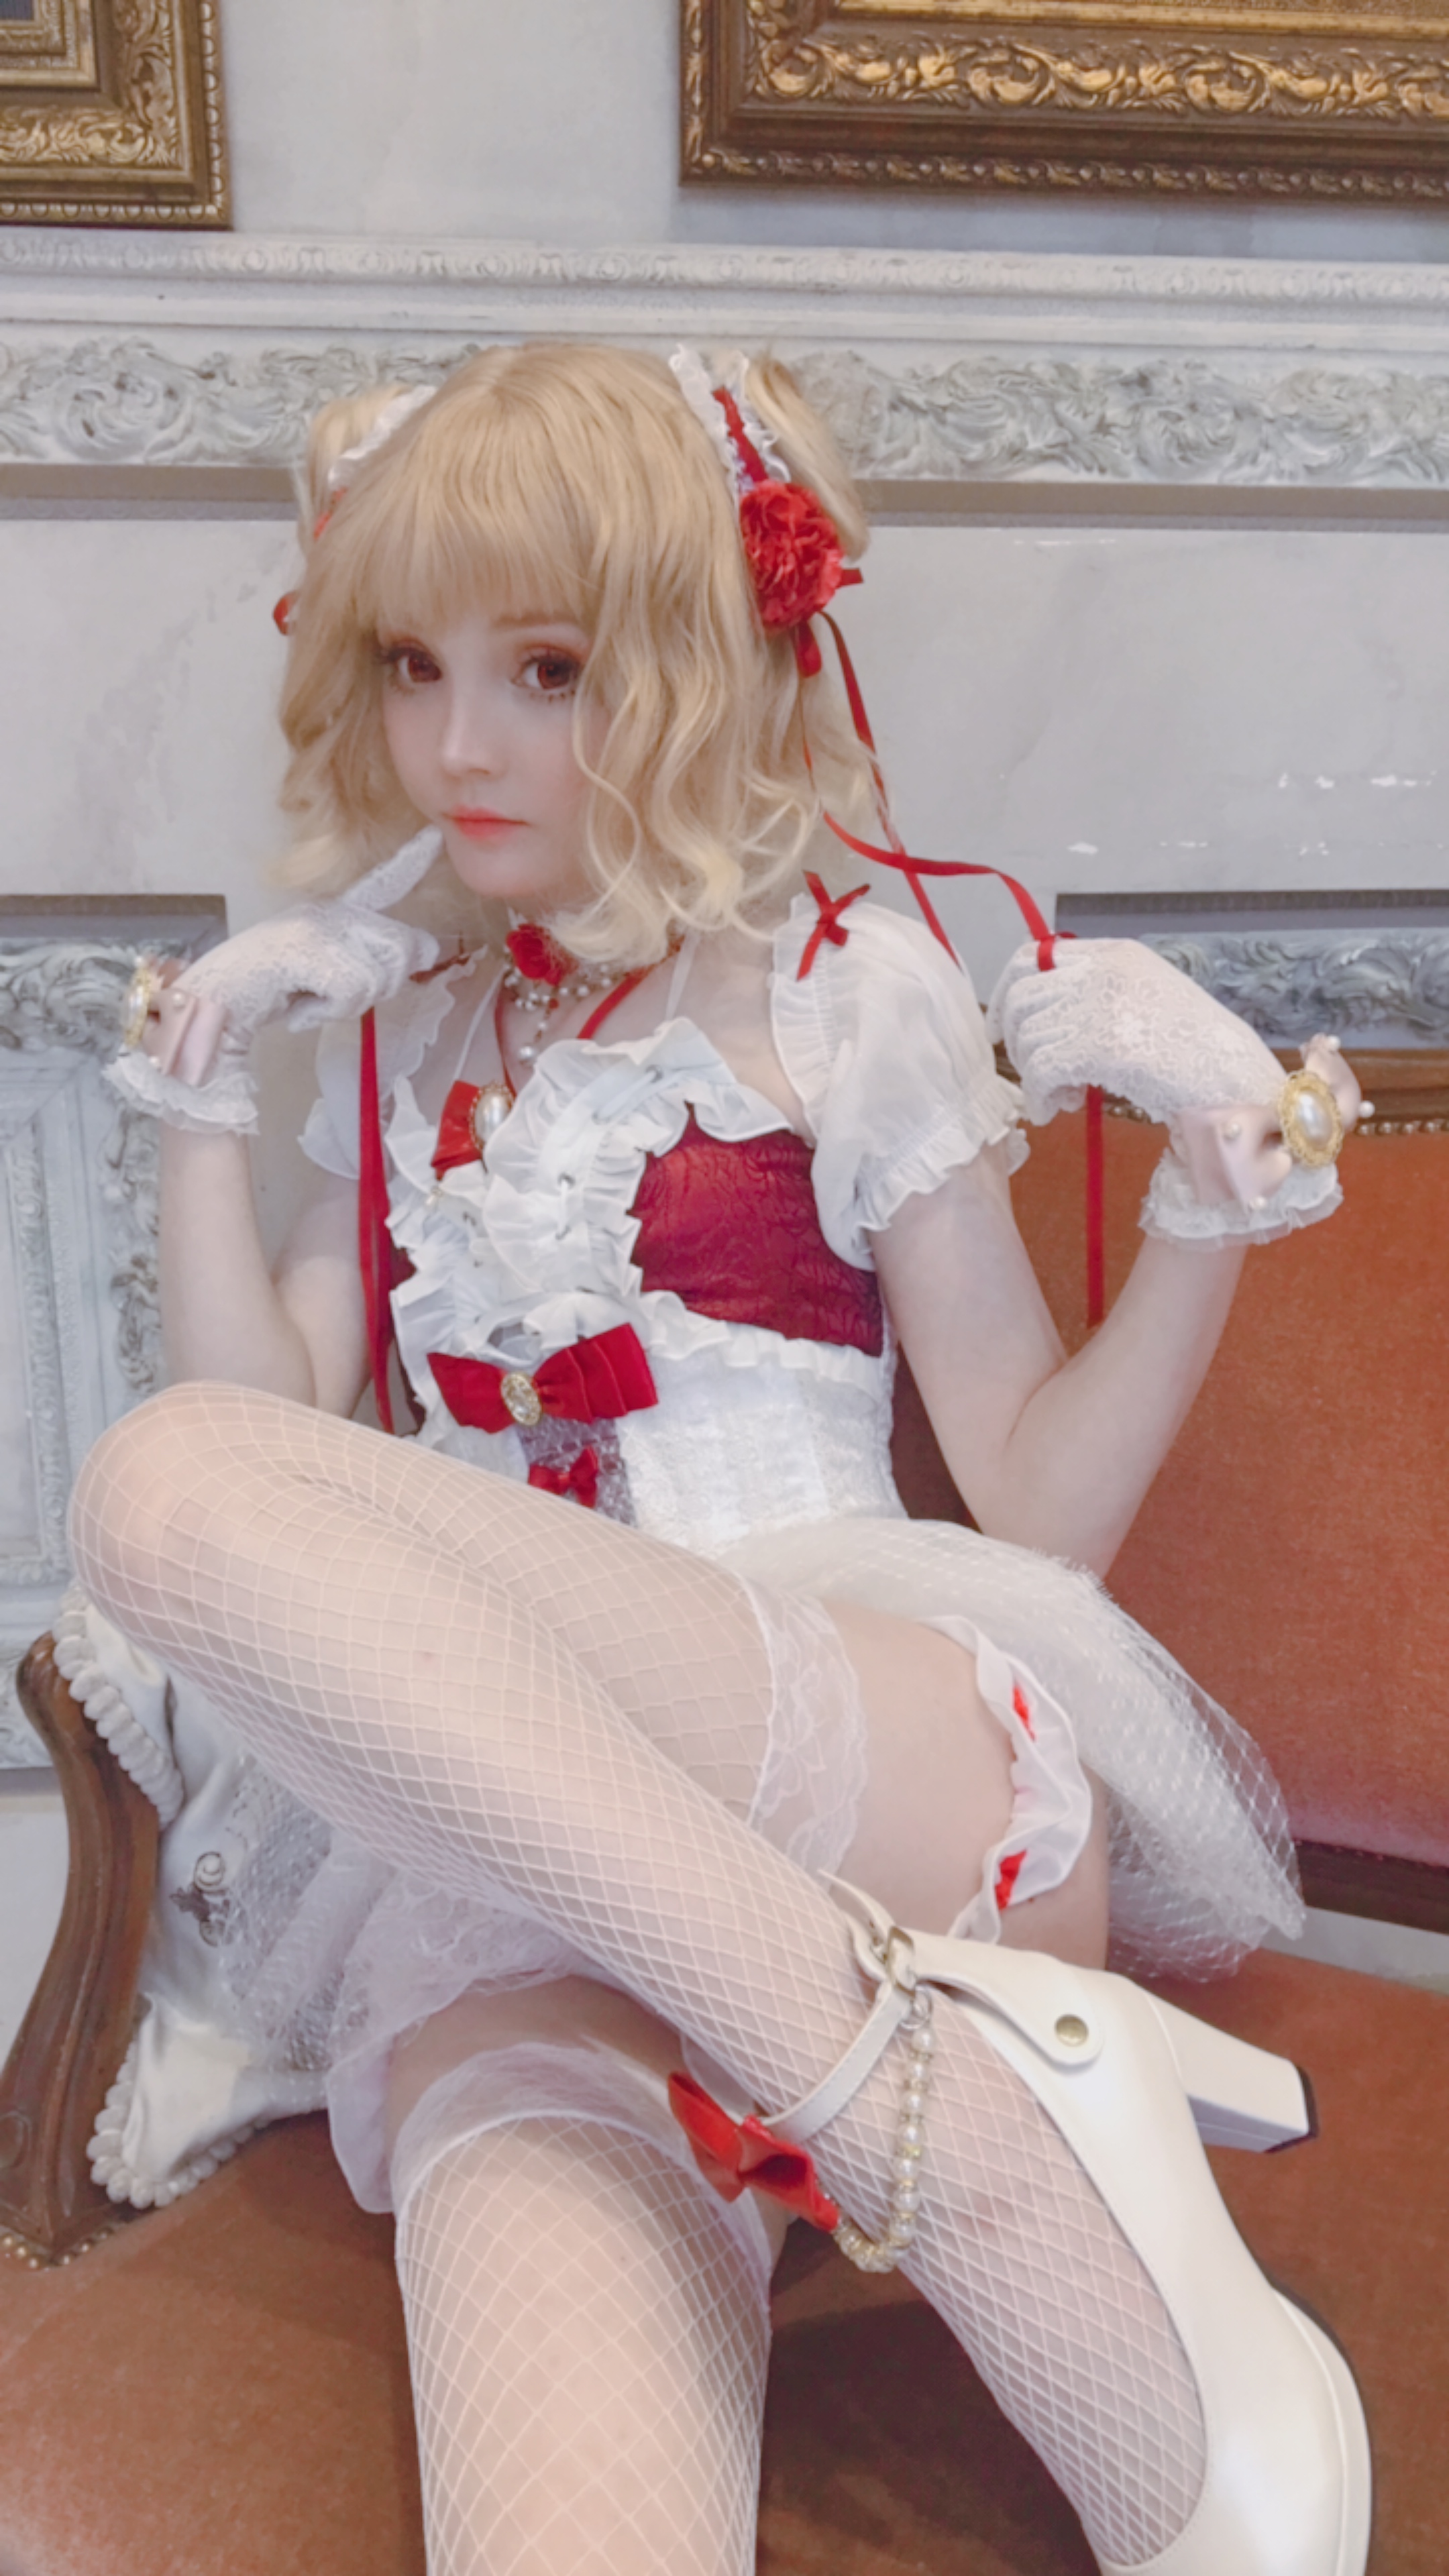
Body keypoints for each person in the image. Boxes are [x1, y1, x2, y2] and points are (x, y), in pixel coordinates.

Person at [72, 341, 1371, 2576]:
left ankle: (937, 2137)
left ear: (694, 667)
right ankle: (952, 2119)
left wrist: (1203, 1205)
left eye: (547, 670)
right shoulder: (407, 1032)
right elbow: (269, 1457)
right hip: (523, 1877)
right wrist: (203, 1101)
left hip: (871, 1756)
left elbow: (1036, 1500)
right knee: (185, 1496)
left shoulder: (849, 987)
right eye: (411, 667)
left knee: (165, 1487)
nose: (457, 746)